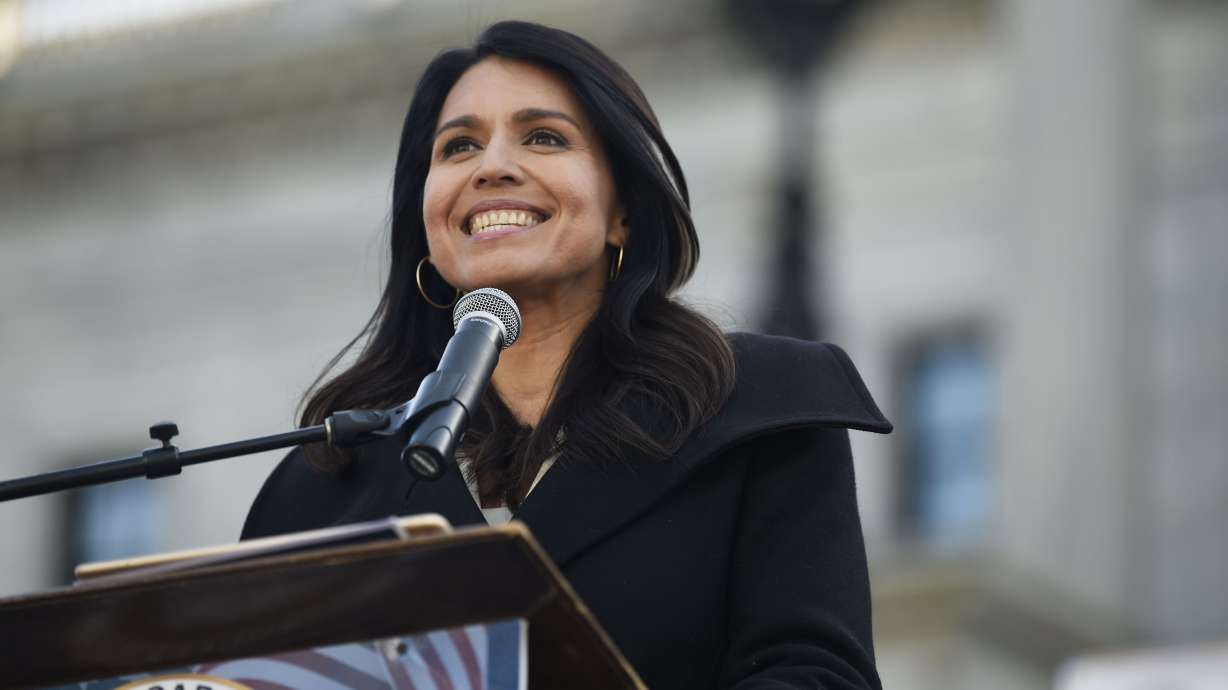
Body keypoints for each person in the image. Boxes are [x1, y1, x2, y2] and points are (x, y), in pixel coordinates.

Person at [243, 20, 892, 690]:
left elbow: (816, 675)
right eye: (459, 146)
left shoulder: (760, 411)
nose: (492, 166)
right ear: (427, 223)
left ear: (623, 212)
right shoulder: (325, 487)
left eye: (544, 137)